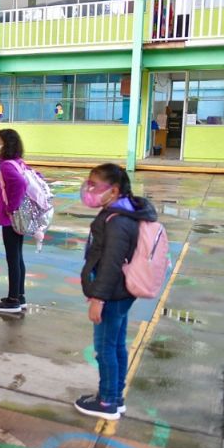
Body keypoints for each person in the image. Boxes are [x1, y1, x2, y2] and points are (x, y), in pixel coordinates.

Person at [74, 163, 159, 421]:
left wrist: (98, 299)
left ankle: (107, 401)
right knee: (116, 345)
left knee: (105, 348)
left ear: (114, 190)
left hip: (112, 294)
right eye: (88, 184)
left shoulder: (117, 221)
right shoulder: (121, 213)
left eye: (95, 185)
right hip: (120, 293)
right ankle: (115, 396)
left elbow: (111, 264)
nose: (89, 190)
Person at [0, 128, 29, 314]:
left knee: (12, 258)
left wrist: (11, 208)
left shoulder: (6, 166)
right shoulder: (17, 162)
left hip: (11, 219)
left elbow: (20, 184)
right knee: (18, 256)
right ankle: (19, 295)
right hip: (17, 218)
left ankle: (13, 299)